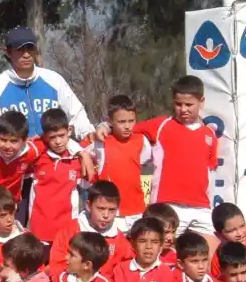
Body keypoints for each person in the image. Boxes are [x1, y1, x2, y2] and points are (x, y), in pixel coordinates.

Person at [0, 27, 104, 223]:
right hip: (16, 171)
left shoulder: (53, 80)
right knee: (17, 228)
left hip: (51, 165)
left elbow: (77, 116)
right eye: (19, 49)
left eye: (30, 48)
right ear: (8, 51)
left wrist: (86, 146)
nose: (26, 54)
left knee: (52, 222)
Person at [135, 76, 220, 255]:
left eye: (189, 105)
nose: (183, 109)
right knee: (165, 259)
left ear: (201, 102)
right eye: (178, 104)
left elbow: (209, 172)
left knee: (206, 259)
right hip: (168, 207)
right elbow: (126, 127)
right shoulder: (160, 125)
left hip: (201, 207)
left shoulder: (209, 134)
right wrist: (104, 126)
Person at [26, 108, 95, 251]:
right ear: (45, 137)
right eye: (52, 137)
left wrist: (83, 153)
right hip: (39, 232)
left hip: (67, 232)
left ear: (69, 130)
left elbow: (99, 138)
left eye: (61, 135)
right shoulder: (37, 157)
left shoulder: (78, 159)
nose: (58, 141)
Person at [47, 181, 135, 278]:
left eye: (112, 210)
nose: (106, 215)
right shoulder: (70, 231)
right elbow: (56, 266)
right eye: (101, 208)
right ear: (89, 206)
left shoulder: (120, 242)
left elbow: (127, 273)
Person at [91, 95, 152, 232]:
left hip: (136, 210)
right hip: (110, 212)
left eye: (131, 121)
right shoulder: (101, 141)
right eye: (121, 121)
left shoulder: (141, 141)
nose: (127, 126)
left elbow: (144, 160)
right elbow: (80, 151)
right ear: (110, 121)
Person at [142, 203, 180, 268]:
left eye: (173, 232)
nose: (170, 238)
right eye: (166, 232)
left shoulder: (176, 257)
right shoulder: (138, 256)